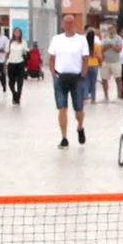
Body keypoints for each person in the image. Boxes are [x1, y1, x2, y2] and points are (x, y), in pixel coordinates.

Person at [48, 12, 90, 148]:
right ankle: (64, 137)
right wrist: (53, 71)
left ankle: (80, 126)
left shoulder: (81, 40)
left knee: (78, 109)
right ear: (62, 24)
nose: (68, 25)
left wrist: (83, 73)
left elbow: (85, 58)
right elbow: (52, 57)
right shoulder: (56, 39)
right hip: (61, 77)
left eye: (71, 22)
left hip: (76, 77)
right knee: (62, 108)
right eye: (66, 22)